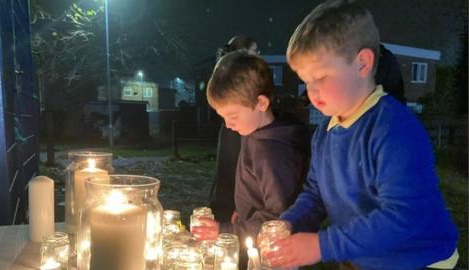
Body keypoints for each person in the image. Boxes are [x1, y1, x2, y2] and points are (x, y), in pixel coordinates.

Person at [263, 1, 459, 269]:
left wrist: (323, 245)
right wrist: (289, 223)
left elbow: (404, 216)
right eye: (306, 80)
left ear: (362, 63)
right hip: (360, 258)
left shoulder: (395, 130)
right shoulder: (325, 134)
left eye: (321, 76)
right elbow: (316, 193)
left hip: (416, 261)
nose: (312, 91)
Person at [193, 51, 309, 266]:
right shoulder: (254, 131)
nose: (228, 124)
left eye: (233, 116)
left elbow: (279, 218)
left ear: (261, 103)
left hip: (273, 255)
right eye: (223, 117)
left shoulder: (271, 151)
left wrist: (226, 231)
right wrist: (245, 210)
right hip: (253, 233)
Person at [208, 35, 260, 224]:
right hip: (237, 130)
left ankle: (229, 211)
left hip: (234, 129)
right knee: (232, 170)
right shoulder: (238, 76)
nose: (258, 56)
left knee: (233, 171)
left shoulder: (226, 71)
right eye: (255, 51)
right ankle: (228, 213)